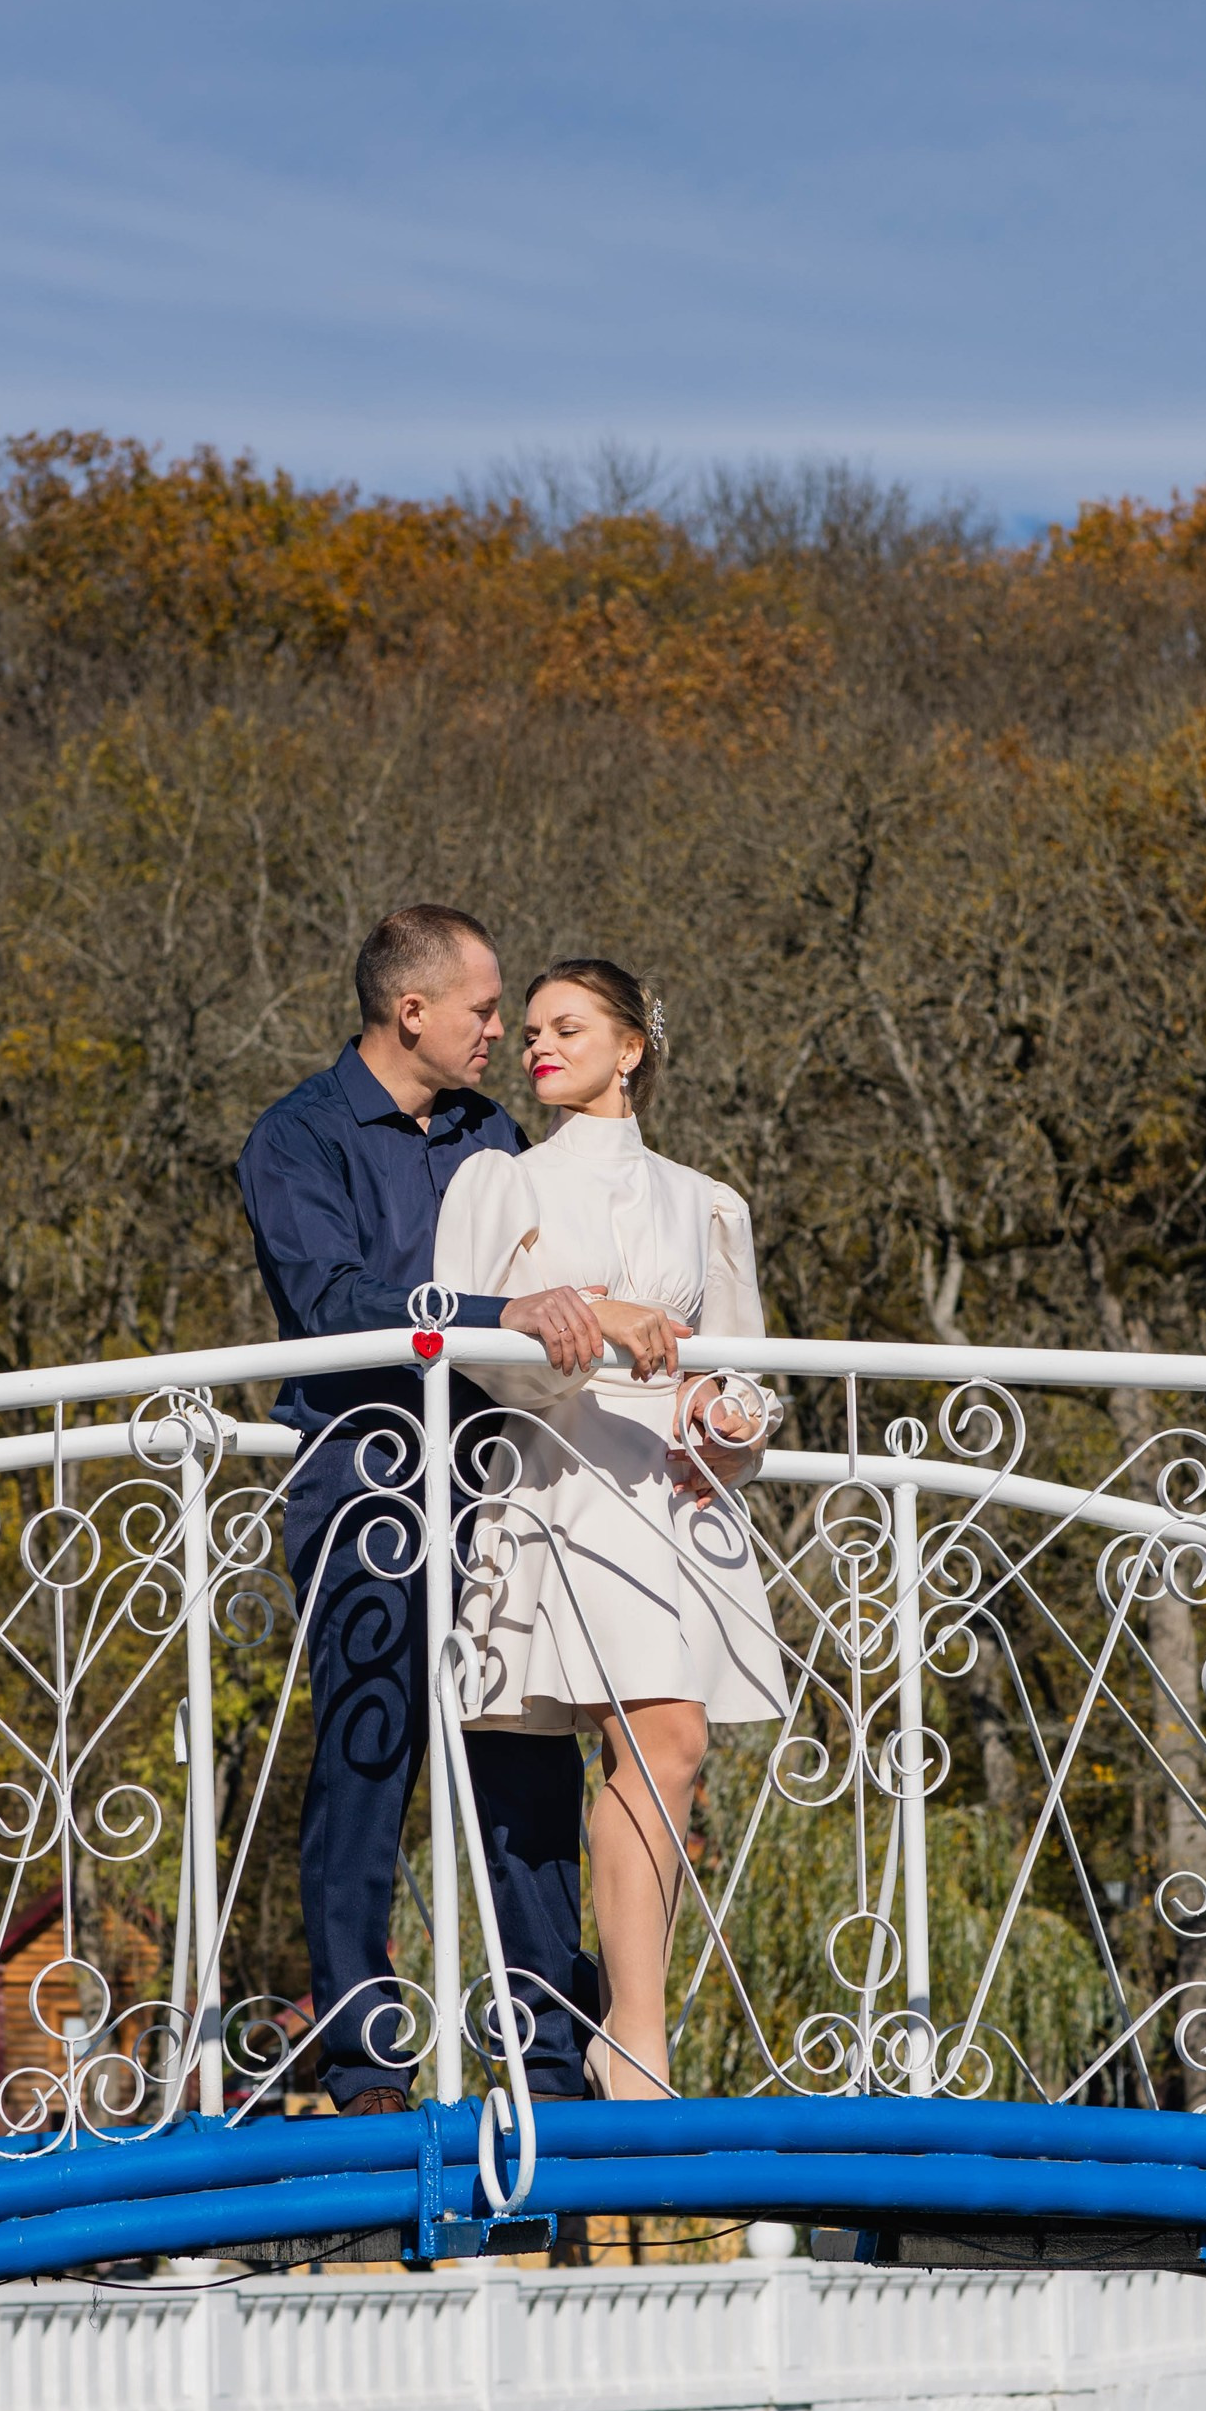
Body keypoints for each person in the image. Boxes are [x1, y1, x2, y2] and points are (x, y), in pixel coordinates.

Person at [235, 906, 676, 2114]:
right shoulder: (297, 1137)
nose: (503, 1032)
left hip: (498, 1476)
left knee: (522, 1755)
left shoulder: (489, 1130)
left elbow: (543, 1277)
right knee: (368, 1753)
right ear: (409, 1011)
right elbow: (332, 1301)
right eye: (485, 1010)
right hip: (365, 1479)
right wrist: (498, 1312)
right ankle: (362, 2050)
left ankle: (545, 2044)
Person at [433, 958, 784, 2099]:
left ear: (630, 1047)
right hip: (567, 1481)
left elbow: (748, 1370)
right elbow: (466, 1350)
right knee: (662, 1739)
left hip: (678, 1495)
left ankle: (632, 2028)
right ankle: (634, 2034)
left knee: (667, 1751)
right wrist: (593, 1320)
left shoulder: (707, 1200)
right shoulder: (498, 1182)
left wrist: (729, 1421)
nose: (537, 1045)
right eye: (528, 1029)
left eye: (565, 1026)